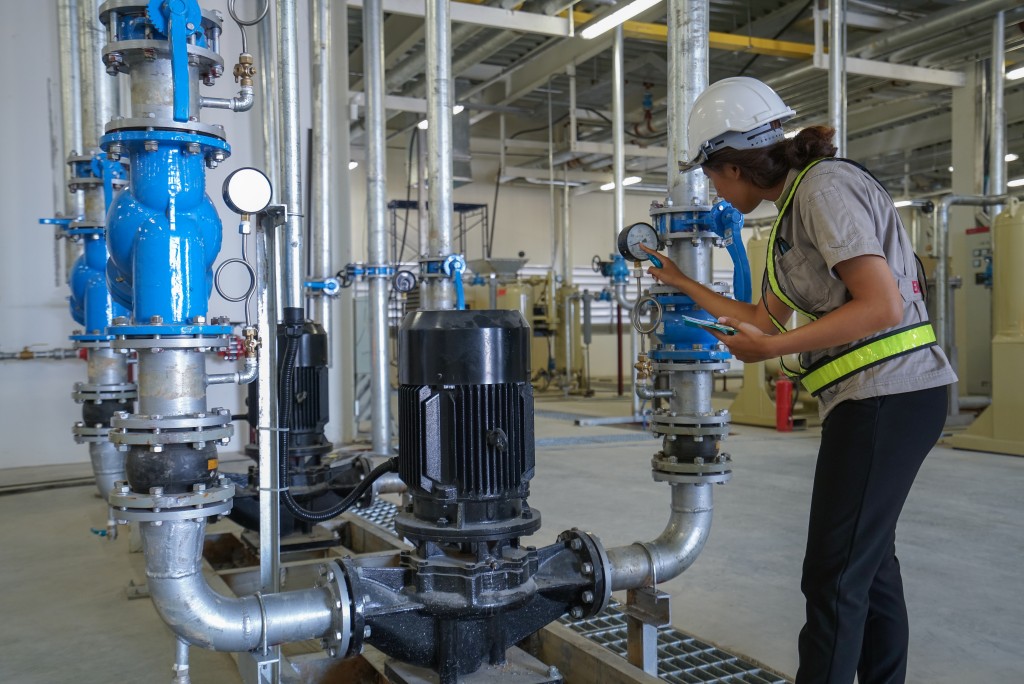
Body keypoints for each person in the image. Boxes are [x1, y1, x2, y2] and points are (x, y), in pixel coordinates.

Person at [641, 77, 957, 684]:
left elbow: (881, 306)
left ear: (734, 164)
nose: (711, 187)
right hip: (870, 398)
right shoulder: (790, 212)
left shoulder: (824, 189)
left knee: (832, 573)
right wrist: (683, 284)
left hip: (889, 396)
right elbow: (764, 317)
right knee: (869, 566)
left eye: (711, 174)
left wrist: (774, 349)